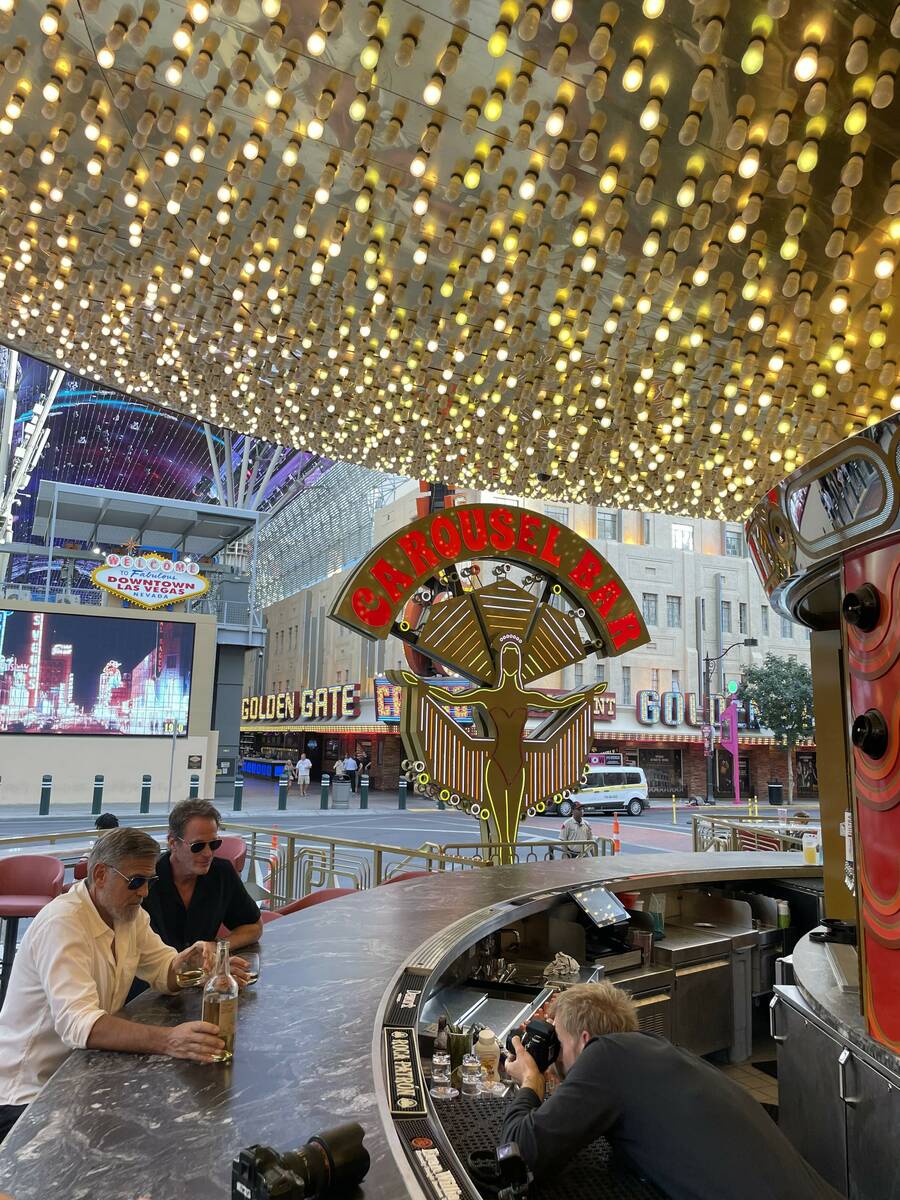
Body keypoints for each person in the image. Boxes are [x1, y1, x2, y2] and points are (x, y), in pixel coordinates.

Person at [0, 827, 247, 1145]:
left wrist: (189, 963)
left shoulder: (128, 915)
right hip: (27, 1095)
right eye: (136, 882)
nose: (144, 893)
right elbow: (79, 1024)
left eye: (150, 881)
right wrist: (169, 1040)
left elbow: (163, 970)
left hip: (84, 1072)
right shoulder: (63, 924)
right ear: (101, 874)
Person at [503, 982, 844, 1200]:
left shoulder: (605, 1056)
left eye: (558, 1042)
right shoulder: (651, 1051)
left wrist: (530, 1080)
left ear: (585, 1040)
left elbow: (521, 1154)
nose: (554, 1056)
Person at [142, 798, 262, 954]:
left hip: (202, 974)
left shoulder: (222, 873)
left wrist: (217, 948)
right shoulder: (144, 880)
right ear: (172, 843)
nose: (208, 853)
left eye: (214, 844)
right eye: (197, 846)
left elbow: (254, 926)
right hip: (155, 976)